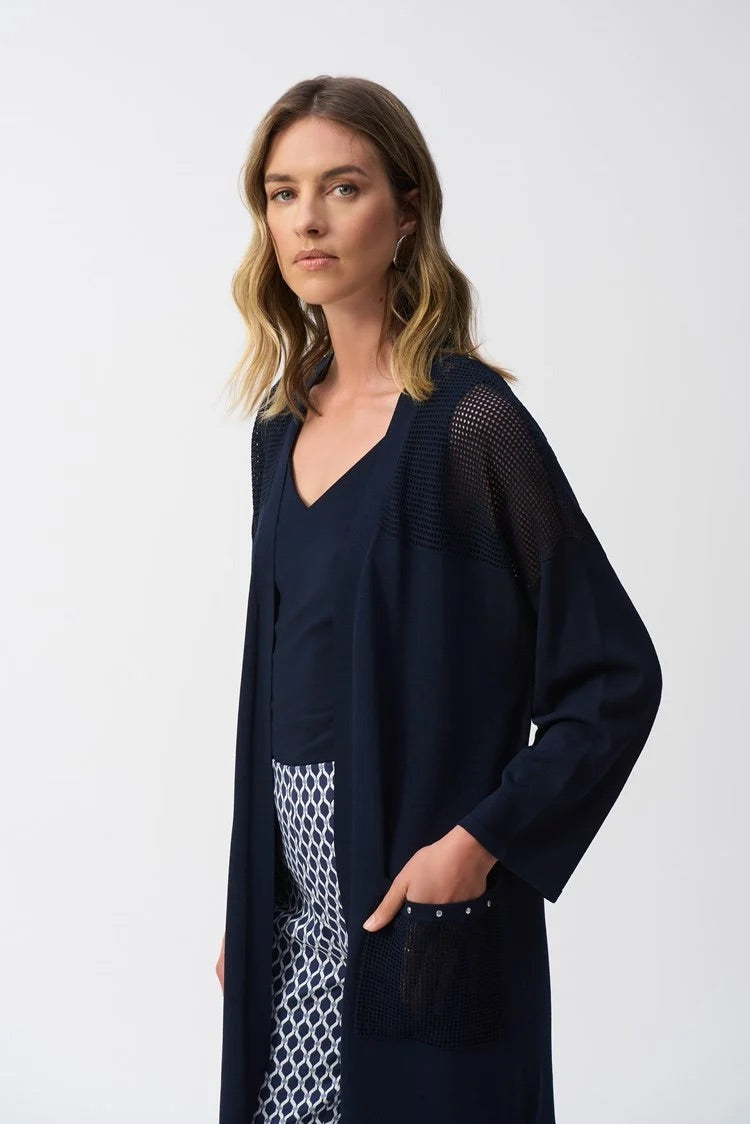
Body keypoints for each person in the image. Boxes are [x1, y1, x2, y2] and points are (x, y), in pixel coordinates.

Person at [215, 75, 663, 1124]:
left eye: (343, 187)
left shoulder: (466, 425)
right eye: (282, 193)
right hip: (289, 912)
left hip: (416, 902)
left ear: (407, 210)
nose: (308, 220)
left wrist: (476, 843)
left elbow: (612, 678)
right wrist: (255, 892)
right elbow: (288, 679)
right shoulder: (279, 429)